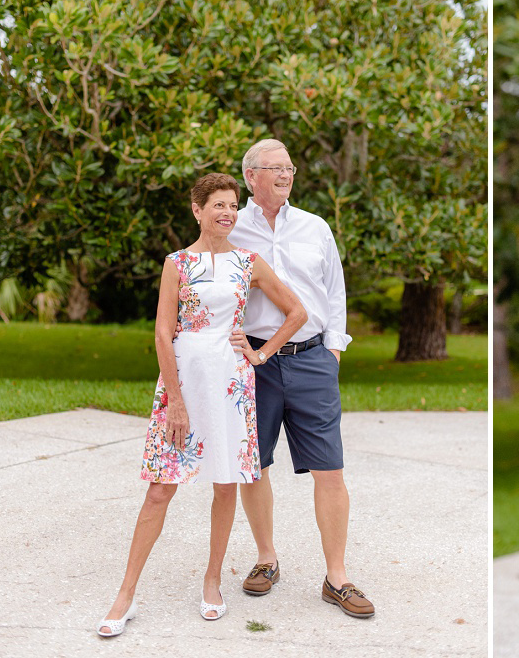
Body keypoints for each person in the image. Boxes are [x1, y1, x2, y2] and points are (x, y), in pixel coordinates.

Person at [97, 173, 307, 637]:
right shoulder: (177, 263)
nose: (228, 213)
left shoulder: (249, 262)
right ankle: (125, 593)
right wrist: (174, 400)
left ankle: (213, 580)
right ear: (197, 209)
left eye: (233, 205)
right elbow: (161, 333)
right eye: (218, 205)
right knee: (159, 489)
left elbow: (297, 313)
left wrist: (260, 354)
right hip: (184, 381)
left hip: (231, 383)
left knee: (226, 485)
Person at [229, 138, 374, 618]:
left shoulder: (315, 227)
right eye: (275, 168)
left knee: (329, 468)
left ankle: (337, 577)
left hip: (313, 359)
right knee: (256, 464)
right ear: (251, 176)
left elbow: (335, 290)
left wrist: (333, 348)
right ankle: (266, 559)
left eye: (290, 167)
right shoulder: (233, 228)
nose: (286, 175)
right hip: (255, 363)